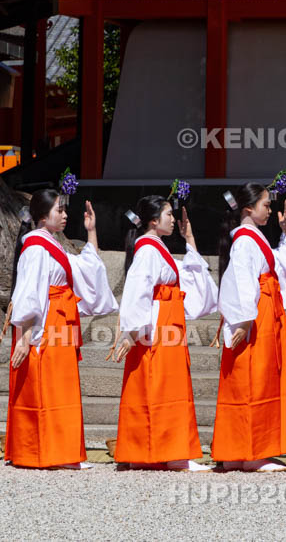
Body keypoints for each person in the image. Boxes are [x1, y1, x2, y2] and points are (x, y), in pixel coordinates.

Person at [6, 187, 118, 469]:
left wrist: (91, 232)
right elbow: (30, 293)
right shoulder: (36, 247)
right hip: (46, 324)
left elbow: (86, 268)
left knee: (62, 388)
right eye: (60, 210)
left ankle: (63, 451)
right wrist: (26, 336)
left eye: (65, 209)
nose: (66, 215)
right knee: (48, 387)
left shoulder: (51, 244)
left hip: (60, 320)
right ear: (43, 217)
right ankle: (46, 451)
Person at [212, 173, 286, 472]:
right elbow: (243, 279)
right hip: (256, 313)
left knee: (257, 376)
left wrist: (285, 232)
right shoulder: (246, 241)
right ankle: (251, 451)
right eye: (266, 205)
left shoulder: (253, 239)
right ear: (249, 208)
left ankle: (240, 451)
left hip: (262, 310)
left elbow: (278, 263)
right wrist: (244, 320)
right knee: (253, 378)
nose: (270, 210)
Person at [113, 192, 218, 471]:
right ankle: (167, 453)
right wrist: (132, 331)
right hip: (158, 325)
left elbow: (188, 274)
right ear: (153, 220)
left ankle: (155, 452)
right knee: (163, 386)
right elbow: (139, 290)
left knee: (161, 385)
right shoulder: (148, 250)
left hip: (164, 321)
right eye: (169, 214)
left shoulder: (155, 248)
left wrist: (189, 239)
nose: (173, 219)